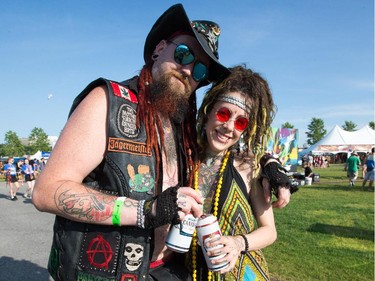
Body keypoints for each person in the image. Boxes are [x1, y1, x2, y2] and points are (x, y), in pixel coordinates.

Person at [32, 4, 229, 281]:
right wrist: (146, 211)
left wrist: (268, 166)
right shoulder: (107, 101)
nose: (187, 71)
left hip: (170, 269)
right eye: (183, 54)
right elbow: (46, 192)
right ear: (160, 48)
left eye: (199, 72)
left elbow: (227, 145)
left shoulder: (181, 126)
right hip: (105, 273)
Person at [191, 65, 297, 281]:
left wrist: (239, 243)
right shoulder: (183, 157)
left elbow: (270, 231)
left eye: (240, 122)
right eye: (223, 113)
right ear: (209, 111)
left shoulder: (248, 168)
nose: (229, 126)